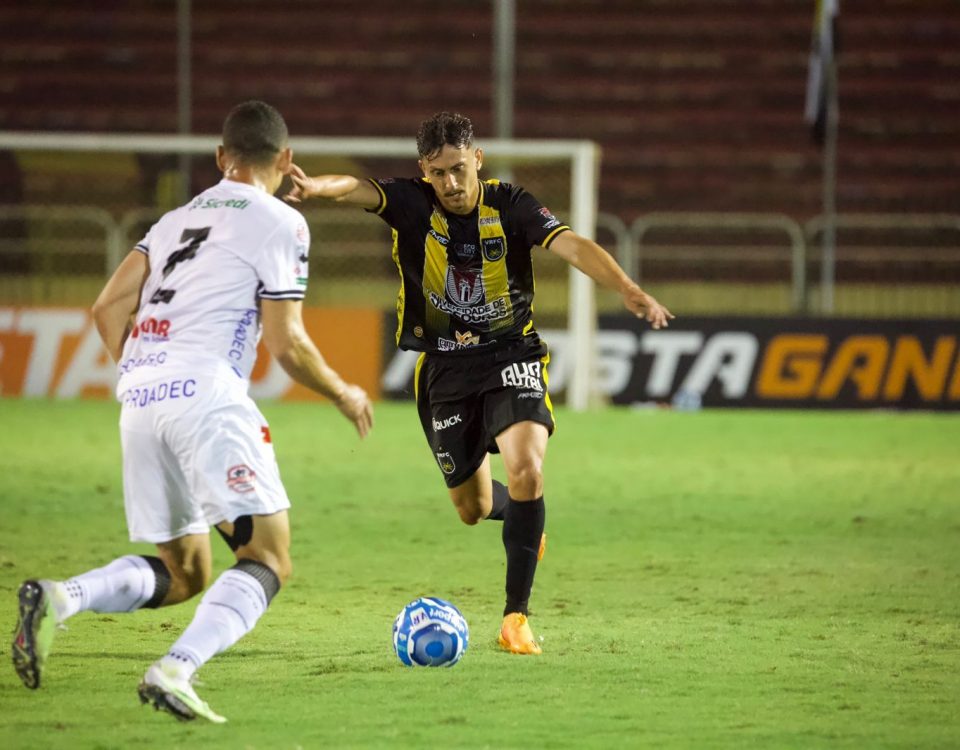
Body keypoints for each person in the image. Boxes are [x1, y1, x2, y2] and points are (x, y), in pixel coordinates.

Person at [10, 100, 373, 722]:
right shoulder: (282, 221)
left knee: (185, 572)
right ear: (286, 159)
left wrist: (142, 370)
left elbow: (105, 309)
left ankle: (60, 597)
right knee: (268, 559)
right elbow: (286, 342)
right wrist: (343, 391)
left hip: (140, 399)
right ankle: (175, 669)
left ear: (220, 156)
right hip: (206, 397)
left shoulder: (173, 220)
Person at [284, 111, 672, 655]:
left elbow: (573, 245)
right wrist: (316, 188)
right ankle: (523, 518)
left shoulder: (511, 204)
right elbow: (355, 189)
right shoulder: (412, 203)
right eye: (438, 172)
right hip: (444, 369)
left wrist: (627, 287)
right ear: (425, 171)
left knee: (526, 467)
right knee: (471, 508)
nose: (451, 183)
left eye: (459, 169)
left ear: (478, 160)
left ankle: (516, 616)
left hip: (512, 354)